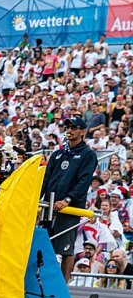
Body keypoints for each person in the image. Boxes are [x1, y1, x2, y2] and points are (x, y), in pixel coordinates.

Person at [41, 116, 98, 282]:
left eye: (74, 127)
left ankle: (63, 287)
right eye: (68, 127)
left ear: (82, 131)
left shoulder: (88, 154)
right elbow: (46, 179)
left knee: (66, 248)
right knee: (44, 246)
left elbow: (84, 181)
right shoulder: (58, 153)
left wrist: (67, 199)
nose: (69, 130)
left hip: (68, 208)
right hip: (48, 206)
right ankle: (43, 282)